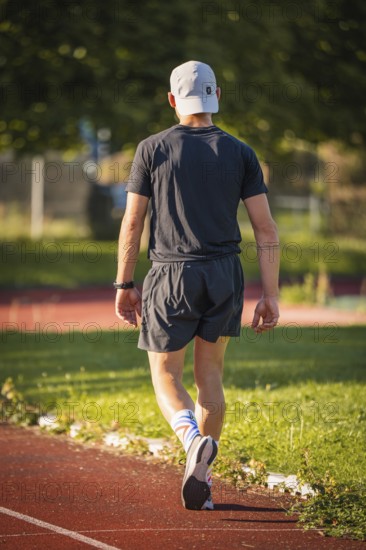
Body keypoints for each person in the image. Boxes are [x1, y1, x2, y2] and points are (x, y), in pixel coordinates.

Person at [115, 60, 280, 511]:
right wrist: (271, 295)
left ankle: (191, 440)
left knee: (165, 375)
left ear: (172, 100)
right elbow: (266, 230)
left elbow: (133, 222)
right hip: (225, 274)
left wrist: (124, 282)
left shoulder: (152, 148)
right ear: (217, 96)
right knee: (211, 378)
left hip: (171, 273)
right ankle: (202, 480)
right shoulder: (241, 152)